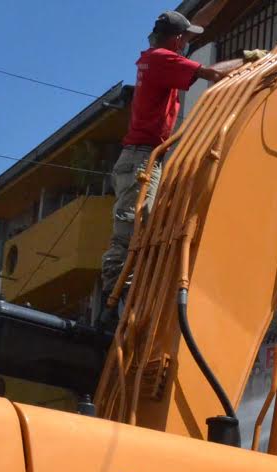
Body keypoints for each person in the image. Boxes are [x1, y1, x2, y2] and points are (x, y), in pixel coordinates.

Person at [97, 11, 249, 327]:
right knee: (132, 229)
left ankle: (126, 299)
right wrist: (246, 60)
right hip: (141, 159)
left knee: (144, 228)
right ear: (177, 38)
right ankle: (116, 304)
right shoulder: (162, 59)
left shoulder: (154, 60)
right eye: (186, 38)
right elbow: (212, 73)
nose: (187, 44)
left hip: (144, 157)